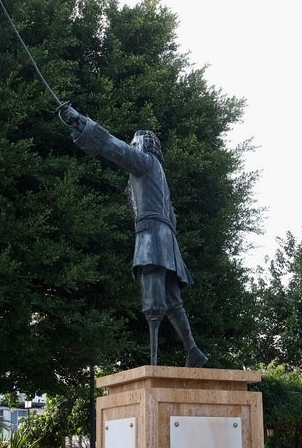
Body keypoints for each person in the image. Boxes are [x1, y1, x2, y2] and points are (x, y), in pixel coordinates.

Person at [58, 102, 207, 368]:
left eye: (135, 143)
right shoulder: (157, 174)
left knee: (153, 302)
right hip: (166, 239)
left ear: (144, 146)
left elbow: (115, 148)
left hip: (151, 237)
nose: (133, 146)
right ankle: (193, 350)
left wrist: (80, 121)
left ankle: (154, 362)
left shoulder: (146, 164)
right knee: (173, 300)